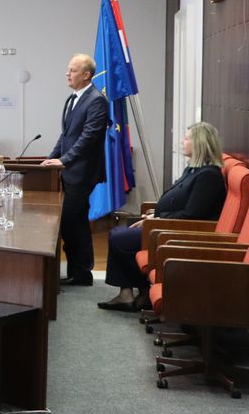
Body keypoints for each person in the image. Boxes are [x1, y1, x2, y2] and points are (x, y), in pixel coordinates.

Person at [98, 122, 227, 311]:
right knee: (118, 232)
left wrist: (158, 219)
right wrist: (156, 213)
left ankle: (136, 292)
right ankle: (133, 293)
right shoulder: (193, 170)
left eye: (187, 138)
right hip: (165, 224)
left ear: (200, 143)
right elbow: (179, 202)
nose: (182, 142)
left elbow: (192, 215)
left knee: (119, 239)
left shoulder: (209, 177)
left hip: (179, 233)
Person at [41, 53, 108, 286]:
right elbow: (67, 135)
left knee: (73, 222)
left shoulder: (96, 100)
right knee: (74, 222)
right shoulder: (75, 98)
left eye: (73, 70)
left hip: (82, 172)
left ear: (86, 75)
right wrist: (50, 160)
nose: (67, 74)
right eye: (68, 69)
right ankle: (78, 273)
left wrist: (65, 160)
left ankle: (81, 273)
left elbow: (88, 137)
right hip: (70, 170)